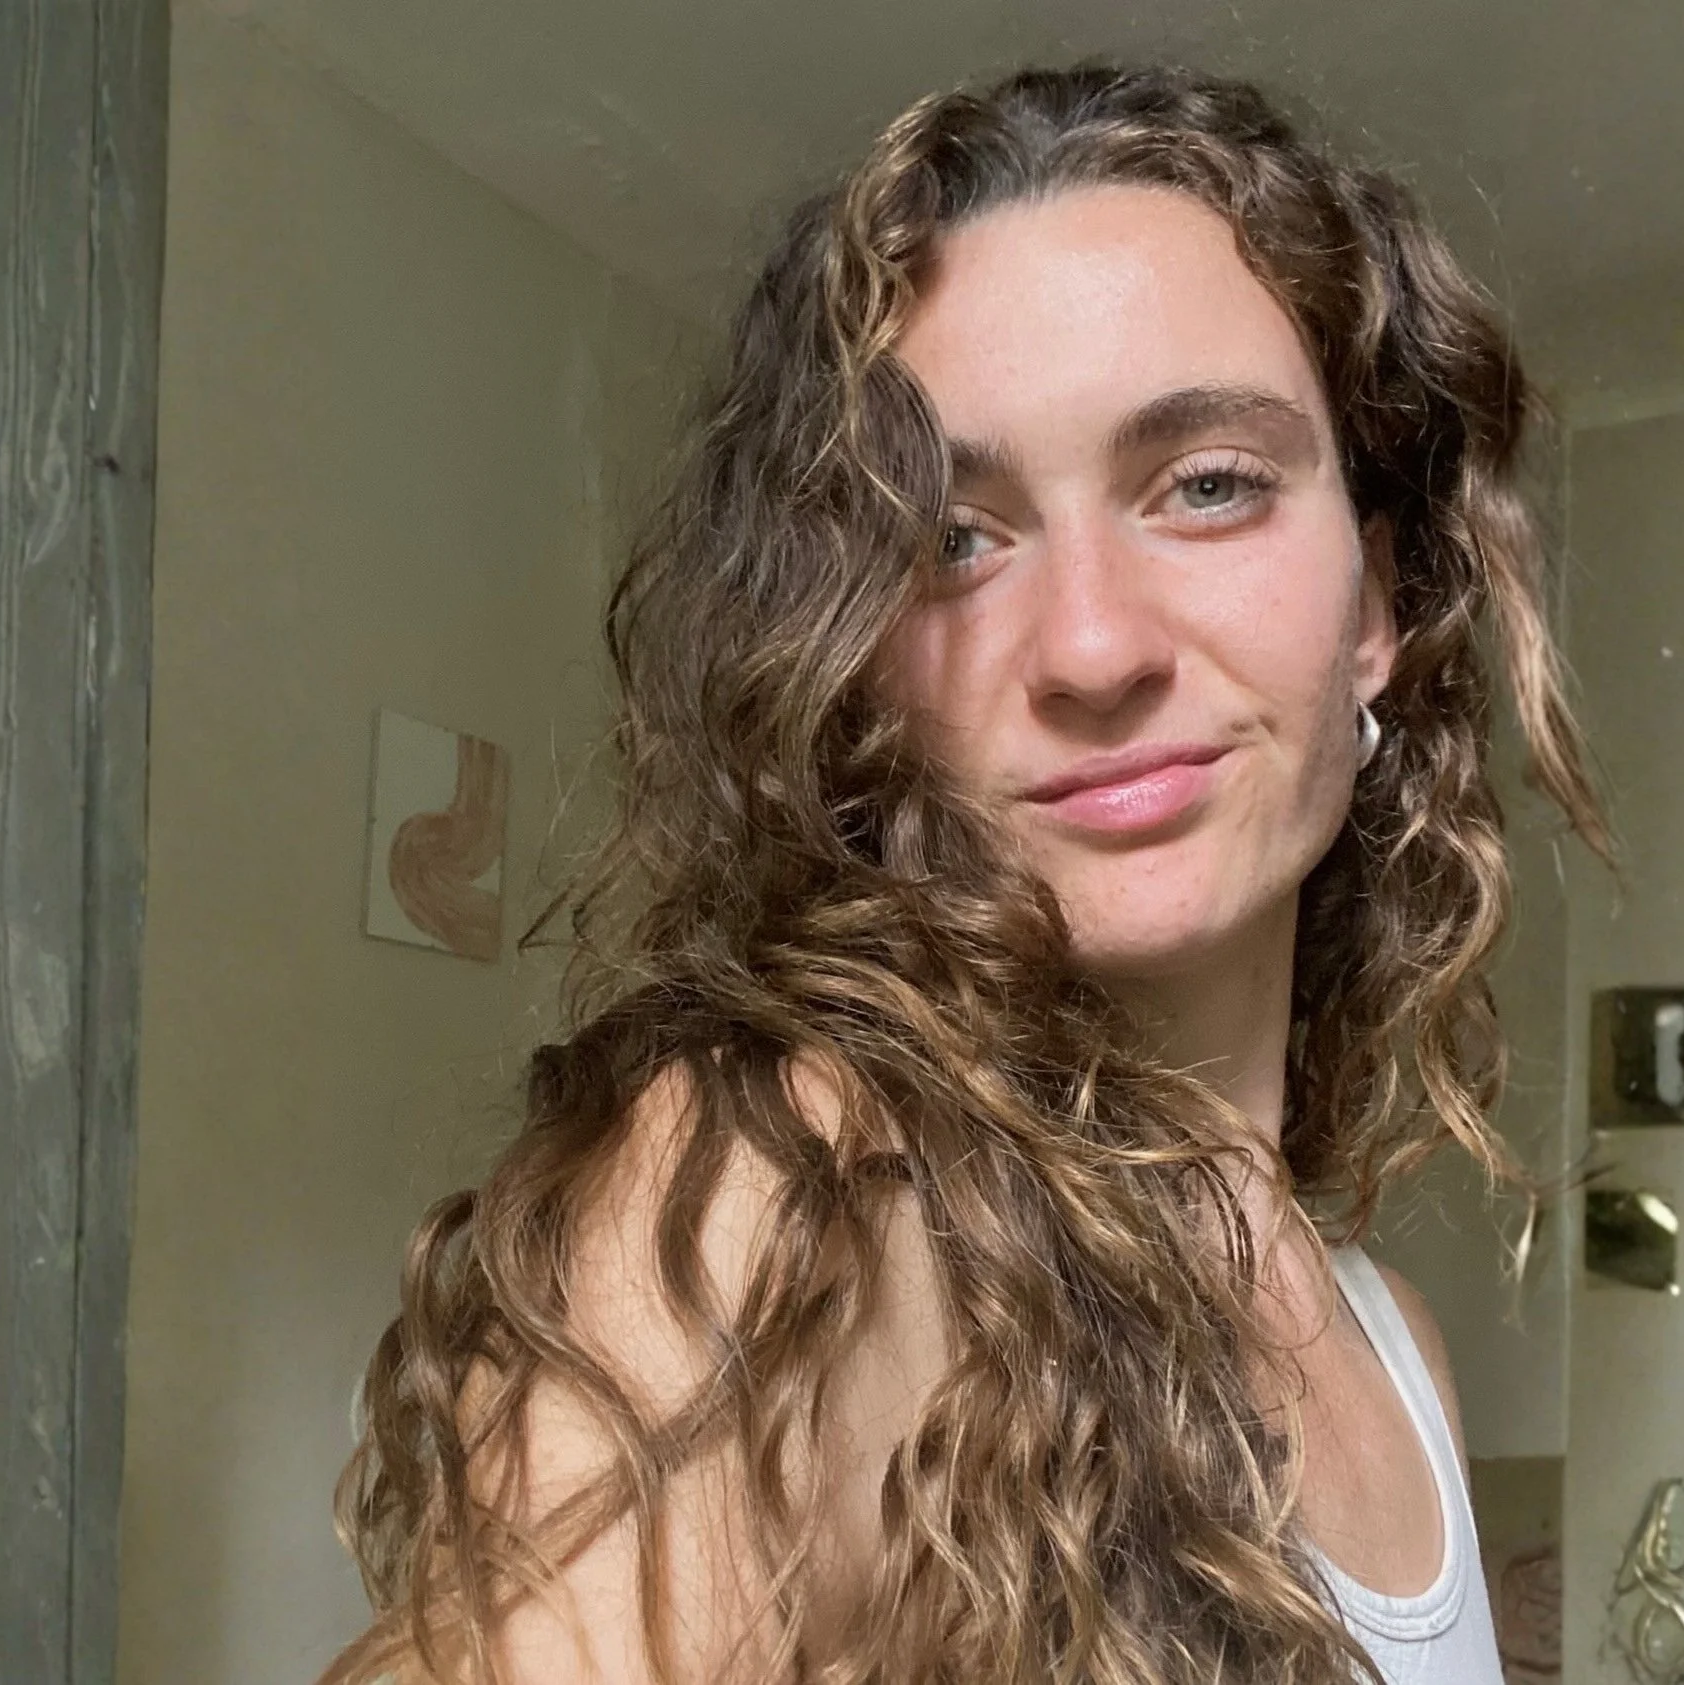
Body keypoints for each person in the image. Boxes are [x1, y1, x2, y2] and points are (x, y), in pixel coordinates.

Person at [321, 63, 1607, 1685]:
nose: (1086, 646)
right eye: (950, 540)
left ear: (1380, 597)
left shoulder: (1392, 1343)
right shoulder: (786, 1210)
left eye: (1207, 484)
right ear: (851, 660)